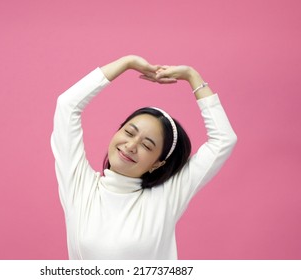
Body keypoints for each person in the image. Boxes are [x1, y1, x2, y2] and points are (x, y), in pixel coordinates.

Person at [51, 55, 237, 259]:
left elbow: (223, 140)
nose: (131, 146)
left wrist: (192, 76)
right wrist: (126, 63)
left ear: (158, 163)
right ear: (118, 131)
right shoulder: (79, 186)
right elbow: (67, 105)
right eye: (129, 133)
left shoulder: (166, 196)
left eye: (147, 146)